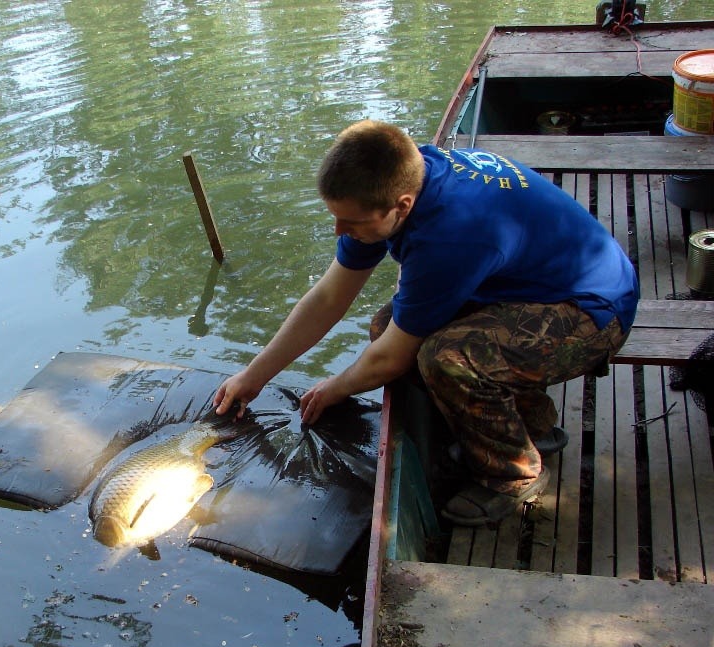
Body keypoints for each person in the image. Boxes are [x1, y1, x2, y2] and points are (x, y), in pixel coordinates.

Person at [213, 119, 639, 527]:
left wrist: (335, 387)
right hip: (526, 287)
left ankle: (513, 475)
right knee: (386, 327)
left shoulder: (449, 235)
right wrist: (255, 375)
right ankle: (533, 427)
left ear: (402, 206)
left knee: (445, 358)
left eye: (352, 223)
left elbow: (390, 362)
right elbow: (329, 296)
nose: (339, 230)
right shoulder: (402, 186)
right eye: (336, 217)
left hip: (592, 313)